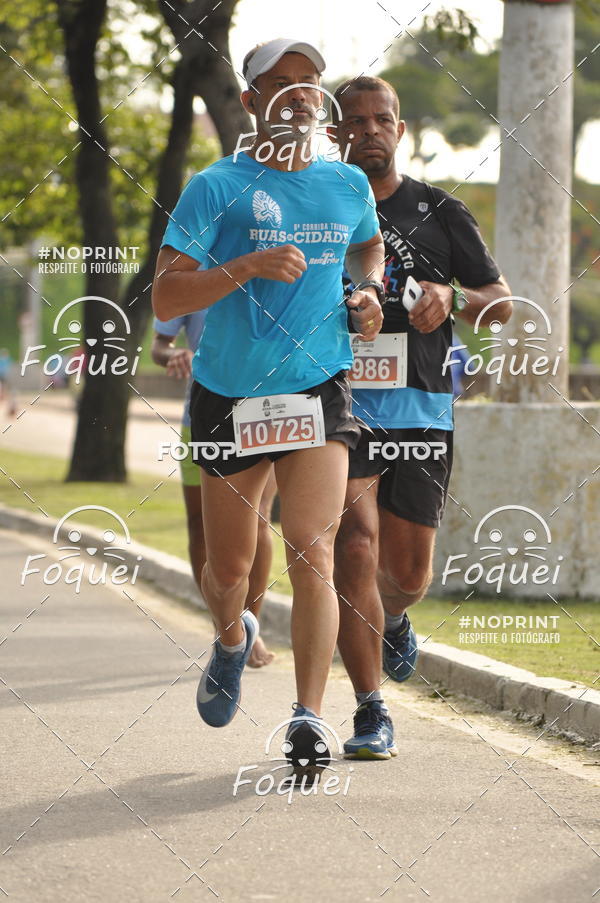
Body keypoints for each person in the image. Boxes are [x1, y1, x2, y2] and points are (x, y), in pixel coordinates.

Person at [152, 39, 385, 774]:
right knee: (230, 567)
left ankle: (308, 716)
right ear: (251, 101)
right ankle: (229, 635)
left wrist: (366, 291)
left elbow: (368, 246)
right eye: (280, 85)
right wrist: (247, 264)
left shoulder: (347, 183)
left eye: (309, 85)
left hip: (317, 385)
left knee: (312, 548)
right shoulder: (214, 187)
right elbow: (165, 296)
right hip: (229, 392)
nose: (299, 97)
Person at [331, 76, 513, 760]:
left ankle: (397, 617)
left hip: (420, 409)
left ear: (399, 130)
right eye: (355, 120)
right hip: (339, 406)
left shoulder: (440, 210)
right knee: (353, 549)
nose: (370, 130)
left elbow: (501, 304)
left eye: (383, 119)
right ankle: (371, 711)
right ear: (336, 131)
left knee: (405, 576)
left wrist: (451, 295)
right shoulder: (319, 206)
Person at [151, 311, 277, 667]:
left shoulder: (276, 257)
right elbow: (158, 346)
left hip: (268, 410)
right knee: (200, 525)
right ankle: (225, 624)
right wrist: (173, 354)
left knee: (259, 518)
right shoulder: (194, 261)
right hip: (203, 417)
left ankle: (250, 624)